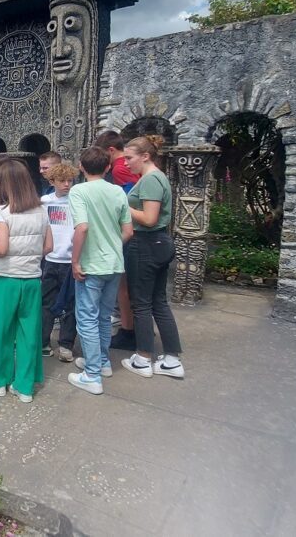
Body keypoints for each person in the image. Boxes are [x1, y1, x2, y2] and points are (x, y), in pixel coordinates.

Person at [0, 159, 53, 404]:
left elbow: (2, 247)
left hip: (6, 280)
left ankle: (0, 381)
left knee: (1, 332)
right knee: (28, 333)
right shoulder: (42, 212)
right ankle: (24, 387)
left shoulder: (3, 212)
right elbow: (49, 246)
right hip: (32, 280)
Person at [67, 146, 133, 396]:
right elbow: (128, 231)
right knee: (104, 316)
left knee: (86, 318)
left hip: (90, 265)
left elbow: (81, 228)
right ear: (108, 167)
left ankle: (92, 374)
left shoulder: (79, 191)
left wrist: (75, 261)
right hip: (114, 264)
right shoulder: (117, 191)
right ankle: (102, 362)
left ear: (81, 167)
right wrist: (113, 247)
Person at [120, 137, 184, 379]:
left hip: (146, 243)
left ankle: (144, 357)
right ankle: (171, 359)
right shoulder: (156, 178)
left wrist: (121, 205)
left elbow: (149, 218)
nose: (126, 163)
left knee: (142, 303)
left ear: (145, 156)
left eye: (129, 157)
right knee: (158, 302)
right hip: (158, 243)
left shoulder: (151, 180)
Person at [93, 130, 142, 352]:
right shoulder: (130, 166)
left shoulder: (121, 167)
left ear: (111, 151)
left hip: (128, 229)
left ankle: (128, 329)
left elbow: (126, 198)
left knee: (122, 287)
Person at [40, 163, 79, 361]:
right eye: (62, 180)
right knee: (46, 302)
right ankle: (43, 341)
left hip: (70, 259)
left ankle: (66, 344)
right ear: (52, 181)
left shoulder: (77, 201)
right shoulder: (44, 202)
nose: (66, 184)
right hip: (50, 259)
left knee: (71, 305)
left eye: (69, 180)